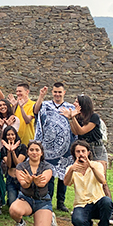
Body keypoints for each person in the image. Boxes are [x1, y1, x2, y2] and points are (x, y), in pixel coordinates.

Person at [60, 94, 113, 225]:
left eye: (76, 102)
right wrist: (71, 118)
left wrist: (72, 117)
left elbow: (83, 131)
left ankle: (110, 212)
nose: (74, 103)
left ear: (83, 104)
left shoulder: (94, 117)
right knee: (82, 177)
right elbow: (75, 131)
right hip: (83, 149)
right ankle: (84, 207)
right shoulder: (79, 118)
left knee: (102, 180)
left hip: (96, 150)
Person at [34, 83, 76, 212]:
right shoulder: (46, 105)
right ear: (52, 92)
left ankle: (61, 202)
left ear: (64, 92)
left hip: (66, 147)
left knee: (64, 175)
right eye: (55, 92)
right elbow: (36, 111)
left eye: (60, 92)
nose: (57, 94)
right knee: (49, 175)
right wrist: (41, 96)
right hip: (48, 148)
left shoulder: (70, 107)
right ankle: (49, 199)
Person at [64, 140, 113, 226]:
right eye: (78, 151)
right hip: (81, 204)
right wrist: (71, 170)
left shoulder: (97, 165)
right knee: (77, 221)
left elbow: (102, 180)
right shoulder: (71, 168)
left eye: (83, 151)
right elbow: (66, 182)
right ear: (74, 154)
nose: (81, 154)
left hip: (97, 202)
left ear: (88, 152)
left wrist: (91, 166)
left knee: (107, 202)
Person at [9, 140, 55, 226]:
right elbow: (23, 184)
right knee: (14, 210)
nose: (34, 152)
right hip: (26, 199)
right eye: (31, 150)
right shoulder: (21, 166)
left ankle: (49, 218)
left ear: (41, 153)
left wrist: (37, 182)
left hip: (43, 201)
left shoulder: (47, 166)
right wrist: (28, 182)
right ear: (27, 152)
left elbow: (43, 183)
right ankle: (21, 223)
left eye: (37, 150)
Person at [0, 126, 27, 206]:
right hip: (10, 179)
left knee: (22, 202)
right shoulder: (3, 150)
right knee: (12, 203)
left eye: (12, 134)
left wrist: (13, 152)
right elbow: (8, 164)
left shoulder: (22, 147)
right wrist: (9, 151)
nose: (10, 137)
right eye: (8, 135)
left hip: (21, 177)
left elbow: (18, 164)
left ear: (16, 135)